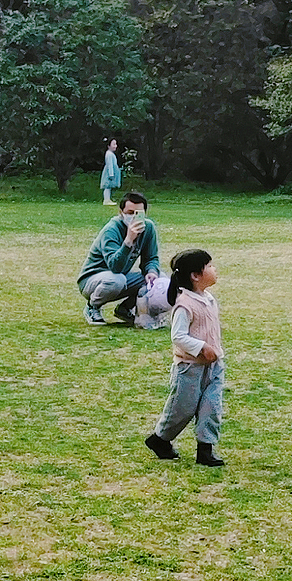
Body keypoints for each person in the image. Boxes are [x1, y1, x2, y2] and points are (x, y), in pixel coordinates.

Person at [144, 248, 224, 467]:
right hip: (189, 368)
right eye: (209, 266)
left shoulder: (208, 299)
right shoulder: (184, 304)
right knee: (182, 408)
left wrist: (215, 351)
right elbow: (178, 336)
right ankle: (160, 439)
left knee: (212, 407)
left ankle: (205, 449)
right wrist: (201, 347)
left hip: (214, 366)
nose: (214, 269)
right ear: (195, 275)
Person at [76, 193, 162, 326]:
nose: (133, 217)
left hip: (120, 276)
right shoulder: (111, 230)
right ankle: (92, 306)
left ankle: (125, 309)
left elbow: (151, 258)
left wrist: (151, 272)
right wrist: (128, 241)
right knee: (116, 280)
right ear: (121, 213)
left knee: (160, 280)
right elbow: (115, 267)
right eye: (130, 212)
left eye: (138, 213)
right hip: (92, 280)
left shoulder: (148, 228)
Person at [100, 138, 122, 205]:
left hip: (111, 172)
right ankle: (106, 200)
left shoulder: (111, 154)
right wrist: (111, 174)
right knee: (107, 186)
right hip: (109, 172)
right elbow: (110, 164)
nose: (115, 146)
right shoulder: (109, 154)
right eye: (114, 144)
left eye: (116, 144)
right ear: (108, 145)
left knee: (109, 187)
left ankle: (108, 199)